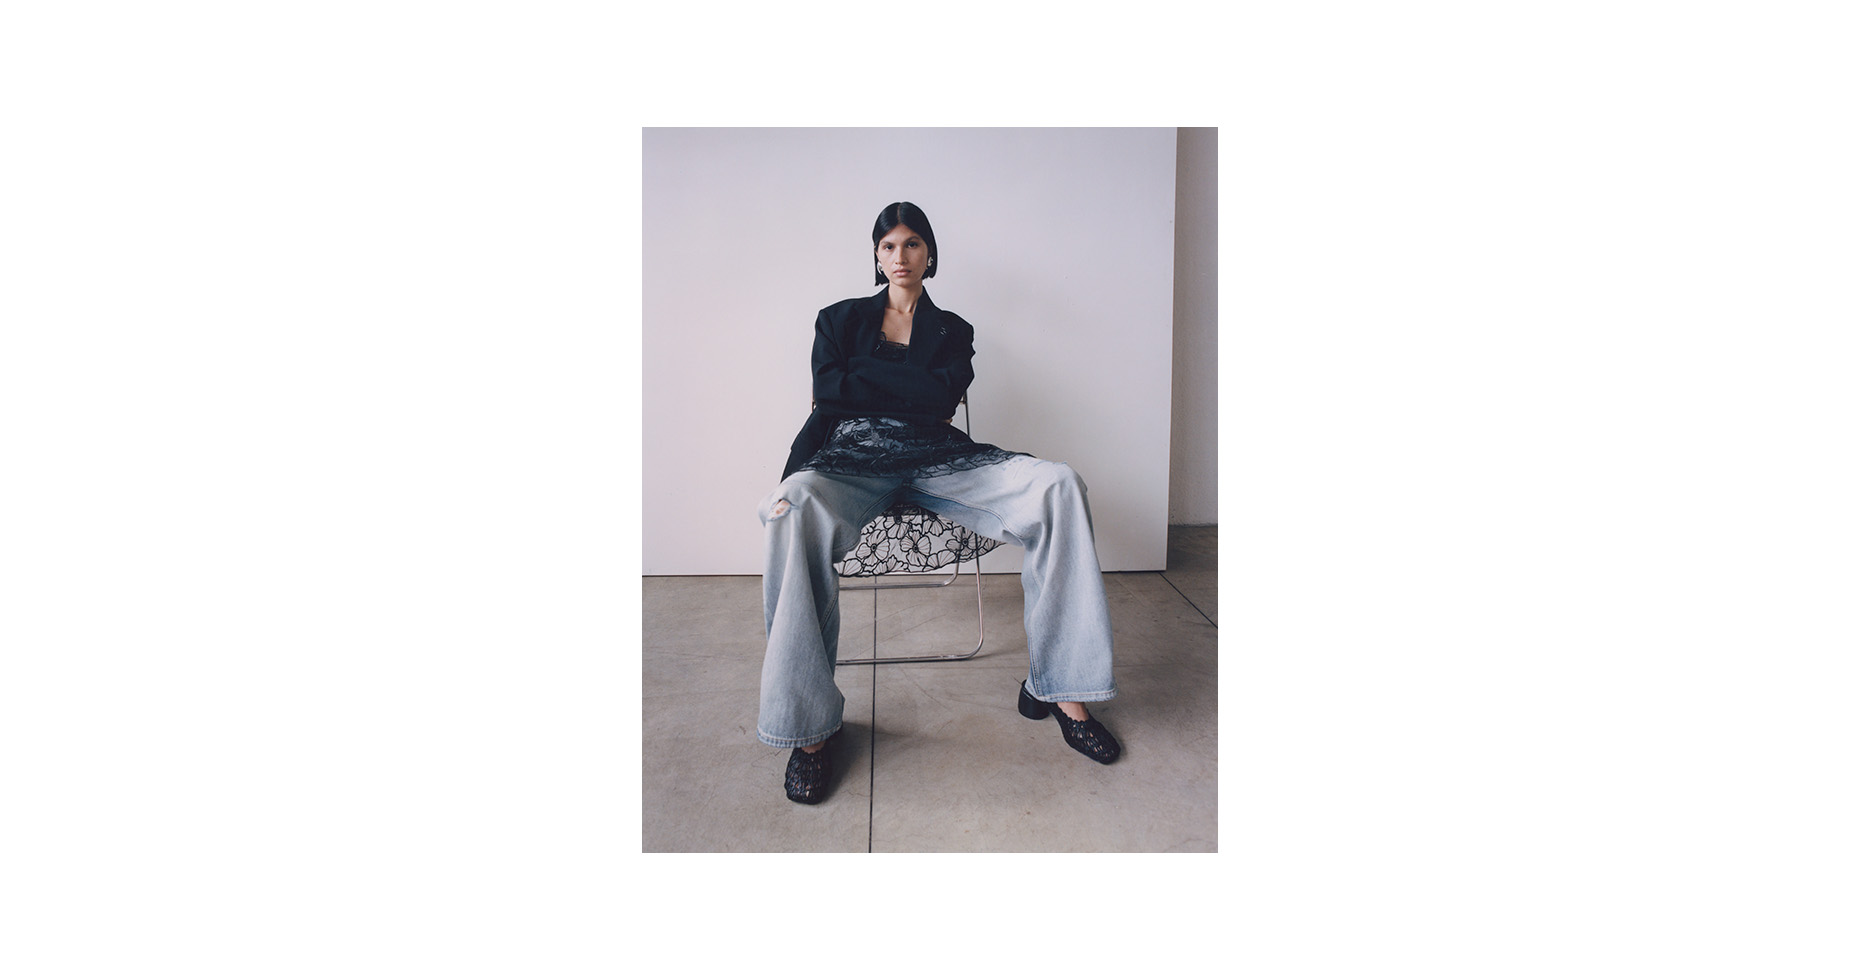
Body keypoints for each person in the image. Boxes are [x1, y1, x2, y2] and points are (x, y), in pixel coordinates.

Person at [757, 202, 1121, 804]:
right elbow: (830, 393)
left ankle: (1062, 690)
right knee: (791, 507)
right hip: (851, 459)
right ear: (876, 256)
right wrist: (905, 390)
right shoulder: (838, 319)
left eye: (912, 244)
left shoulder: (954, 330)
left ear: (930, 254)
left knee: (1059, 484)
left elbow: (936, 401)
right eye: (888, 246)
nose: (900, 256)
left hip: (938, 458)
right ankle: (811, 730)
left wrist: (865, 383)